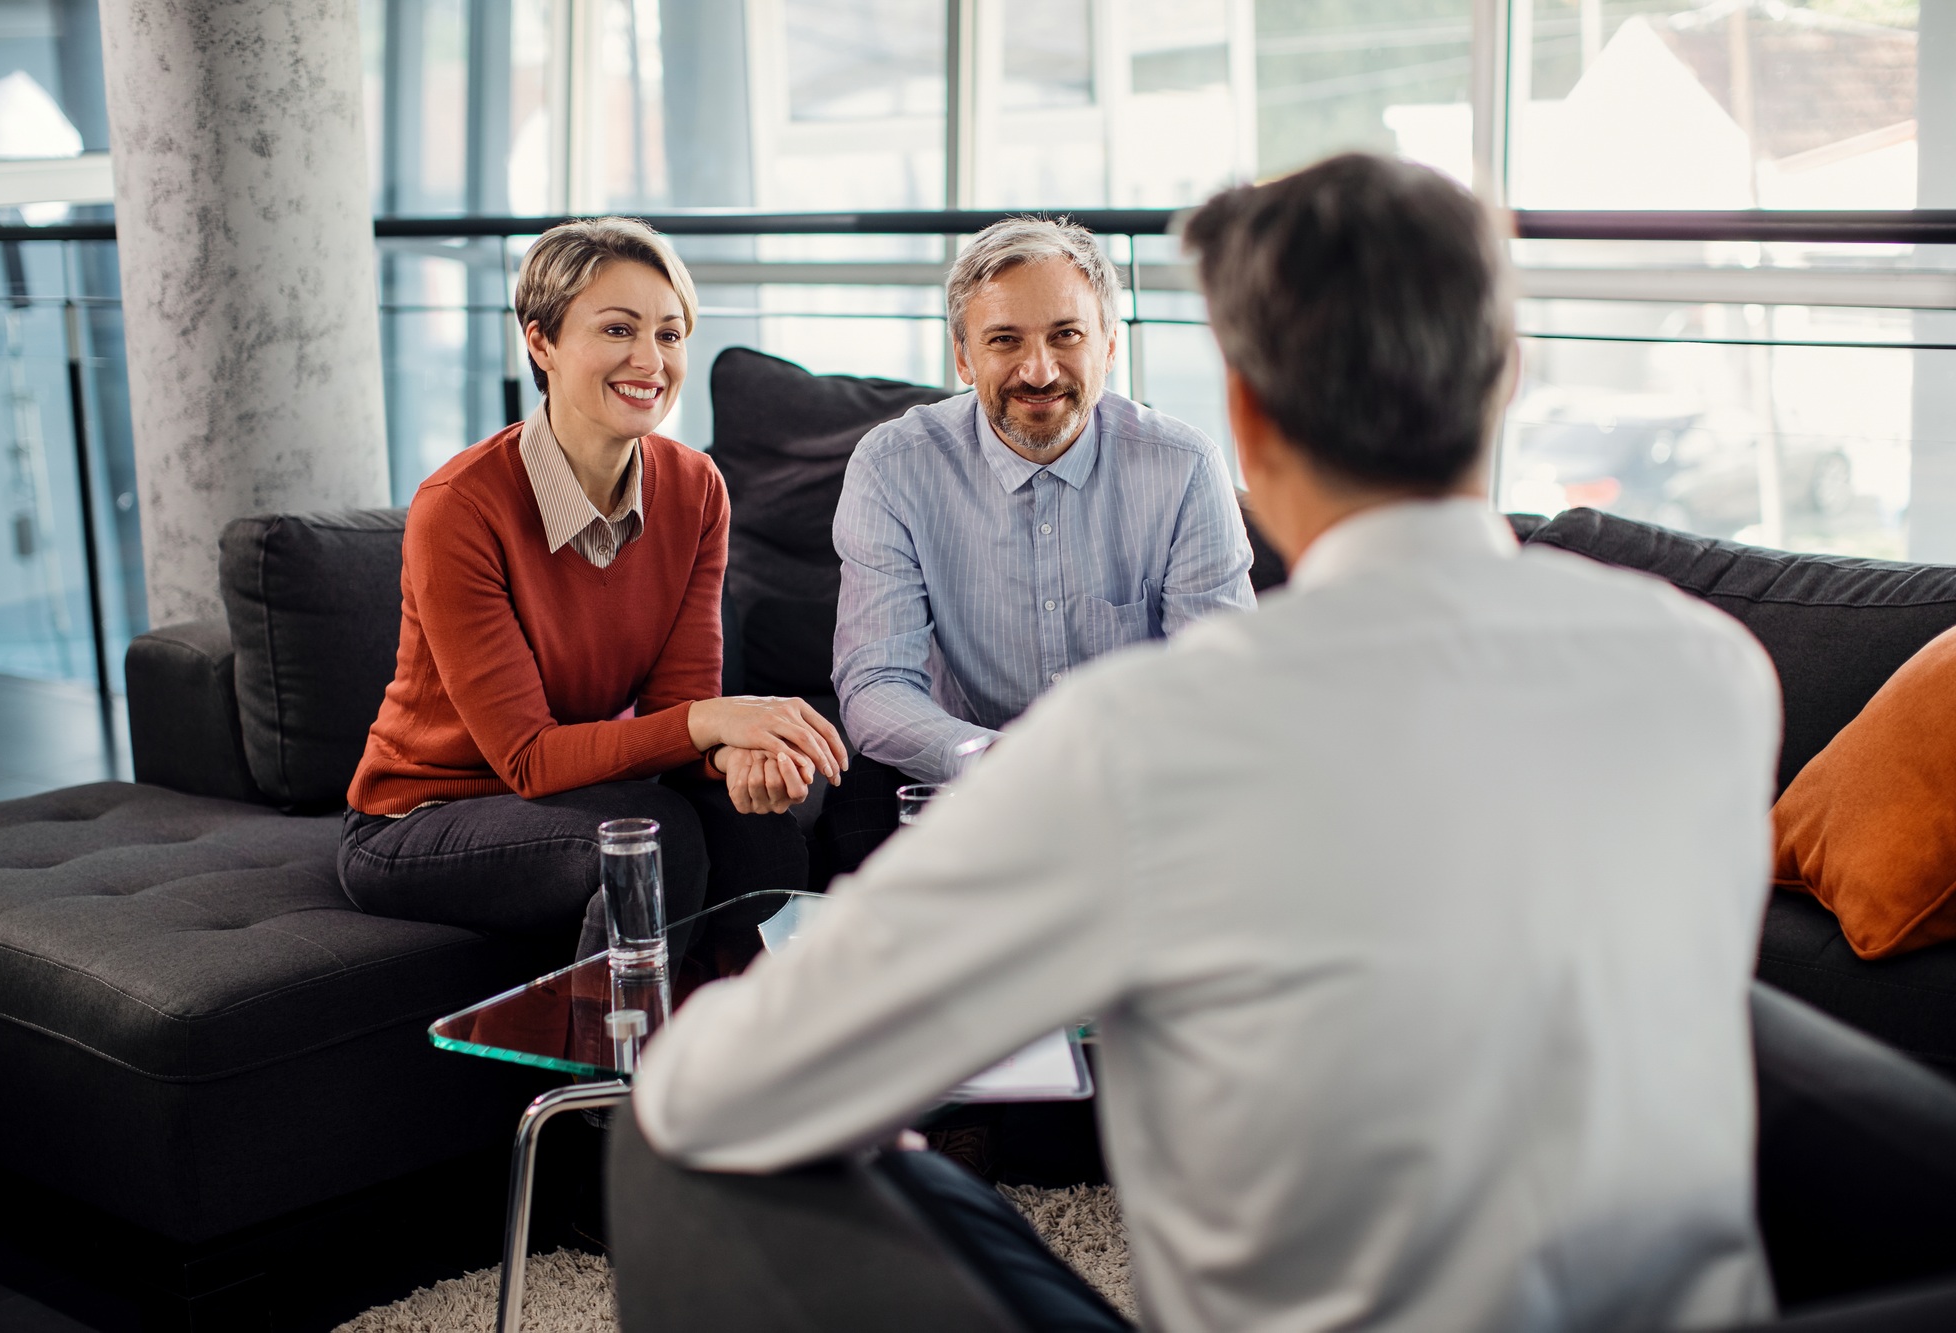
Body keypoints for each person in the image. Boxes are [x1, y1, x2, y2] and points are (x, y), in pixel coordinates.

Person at [632, 156, 1782, 1331]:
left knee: (666, 1152)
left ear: (1240, 413)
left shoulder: (1142, 740)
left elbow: (706, 1097)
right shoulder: (1711, 673)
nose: (1036, 369)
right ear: (1507, 374)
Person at [339, 218, 847, 963]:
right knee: (648, 835)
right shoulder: (460, 506)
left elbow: (677, 714)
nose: (650, 360)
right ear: (540, 342)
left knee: (753, 818)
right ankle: (616, 1071)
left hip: (569, 793)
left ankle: (750, 1062)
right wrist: (717, 721)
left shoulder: (695, 488)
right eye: (618, 329)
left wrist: (737, 755)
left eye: (671, 335)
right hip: (419, 817)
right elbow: (530, 759)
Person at [821, 216, 1254, 872]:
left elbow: (1218, 684)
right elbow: (875, 683)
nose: (1039, 369)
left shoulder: (1185, 466)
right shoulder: (891, 465)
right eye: (1005, 340)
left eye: (1066, 335)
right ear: (963, 356)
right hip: (959, 785)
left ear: (1110, 345)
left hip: (1137, 791)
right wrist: (995, 762)